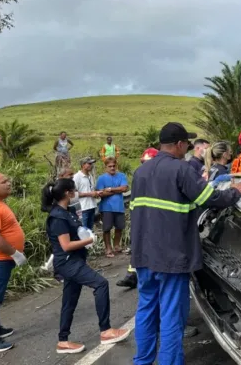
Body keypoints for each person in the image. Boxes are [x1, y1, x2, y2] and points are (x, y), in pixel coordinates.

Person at [130, 122, 241, 365]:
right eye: (186, 143)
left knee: (146, 310)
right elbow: (210, 198)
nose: (186, 148)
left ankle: (142, 361)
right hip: (172, 257)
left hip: (143, 255)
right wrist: (236, 191)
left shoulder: (140, 172)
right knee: (172, 315)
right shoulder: (181, 170)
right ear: (179, 144)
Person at [43, 178, 130, 354]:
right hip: (68, 262)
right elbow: (66, 246)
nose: (76, 193)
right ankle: (106, 331)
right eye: (74, 190)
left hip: (74, 260)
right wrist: (89, 240)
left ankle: (63, 341)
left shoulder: (68, 211)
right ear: (68, 193)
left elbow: (75, 234)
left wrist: (85, 236)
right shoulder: (57, 217)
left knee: (70, 301)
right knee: (100, 284)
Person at [116, 148, 158, 289]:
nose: (145, 165)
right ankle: (132, 275)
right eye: (143, 163)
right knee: (137, 245)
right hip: (141, 217)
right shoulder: (139, 175)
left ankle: (138, 275)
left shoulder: (159, 176)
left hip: (153, 218)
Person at [0, 173, 27, 352]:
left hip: (3, 260)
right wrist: (15, 253)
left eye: (9, 180)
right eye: (4, 182)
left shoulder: (0, 204)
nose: (9, 183)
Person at [96, 157, 128, 257]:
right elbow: (101, 193)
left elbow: (124, 188)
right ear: (106, 167)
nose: (112, 168)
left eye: (114, 166)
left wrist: (109, 189)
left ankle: (117, 246)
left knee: (119, 227)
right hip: (106, 208)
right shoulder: (101, 178)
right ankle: (108, 248)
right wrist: (117, 190)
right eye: (110, 166)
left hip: (119, 207)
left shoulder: (122, 175)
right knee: (107, 229)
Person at [73, 157, 100, 230]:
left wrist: (96, 194)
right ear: (83, 165)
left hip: (92, 206)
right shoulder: (76, 177)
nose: (91, 165)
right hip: (83, 208)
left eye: (92, 164)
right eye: (89, 164)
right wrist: (90, 194)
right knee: (83, 230)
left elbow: (90, 190)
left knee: (89, 230)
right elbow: (74, 194)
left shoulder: (90, 176)